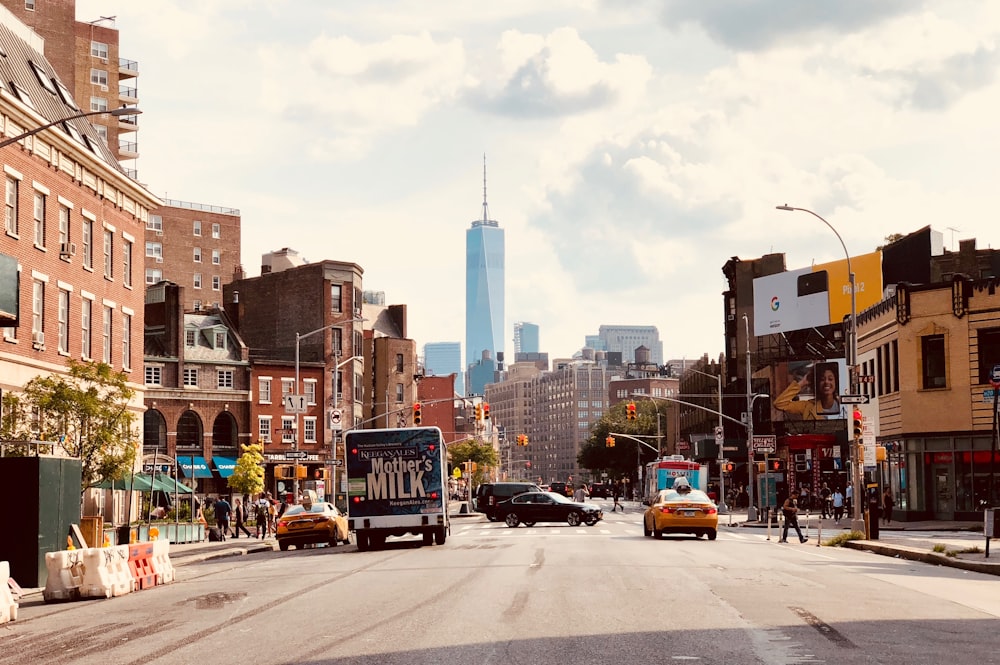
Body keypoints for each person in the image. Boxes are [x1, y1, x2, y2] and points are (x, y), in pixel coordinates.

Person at [773, 361, 845, 420]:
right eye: (822, 379)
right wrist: (802, 383)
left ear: (836, 382)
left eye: (830, 379)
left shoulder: (843, 405)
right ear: (816, 384)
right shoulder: (807, 406)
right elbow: (779, 404)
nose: (826, 382)